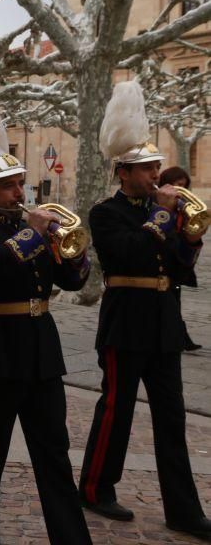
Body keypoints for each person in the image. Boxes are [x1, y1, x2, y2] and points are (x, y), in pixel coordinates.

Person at [0, 88, 92, 545]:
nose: (19, 191)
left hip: (42, 351)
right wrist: (30, 238)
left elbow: (72, 283)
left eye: (21, 183)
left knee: (53, 453)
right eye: (9, 185)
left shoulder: (32, 228)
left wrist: (69, 251)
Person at [78, 82, 210, 541]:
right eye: (146, 167)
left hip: (163, 320)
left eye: (155, 165)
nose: (156, 173)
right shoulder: (105, 213)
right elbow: (126, 256)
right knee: (116, 409)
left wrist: (190, 238)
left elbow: (177, 266)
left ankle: (183, 509)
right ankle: (95, 486)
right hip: (125, 319)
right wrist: (160, 218)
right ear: (123, 173)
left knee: (171, 417)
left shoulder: (166, 213)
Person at [159, 166, 201, 351]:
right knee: (173, 304)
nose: (180, 189)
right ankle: (182, 338)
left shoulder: (182, 207)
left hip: (177, 266)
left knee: (175, 302)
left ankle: (181, 337)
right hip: (164, 265)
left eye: (184, 186)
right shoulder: (160, 206)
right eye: (178, 185)